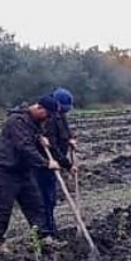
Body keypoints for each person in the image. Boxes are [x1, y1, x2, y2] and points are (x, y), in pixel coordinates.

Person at [0, 96, 62, 252]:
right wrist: (46, 163)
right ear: (39, 108)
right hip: (7, 170)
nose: (47, 118)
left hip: (24, 171)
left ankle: (42, 238)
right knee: (3, 207)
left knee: (36, 205)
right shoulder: (17, 121)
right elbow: (24, 147)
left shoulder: (34, 122)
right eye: (47, 114)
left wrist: (40, 139)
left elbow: (33, 137)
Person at [35, 87, 78, 238]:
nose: (64, 112)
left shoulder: (60, 114)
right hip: (46, 163)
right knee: (46, 198)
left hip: (56, 162)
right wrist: (68, 165)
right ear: (56, 103)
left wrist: (71, 138)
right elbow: (52, 146)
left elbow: (66, 129)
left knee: (51, 198)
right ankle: (47, 232)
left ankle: (51, 229)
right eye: (62, 109)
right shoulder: (49, 118)